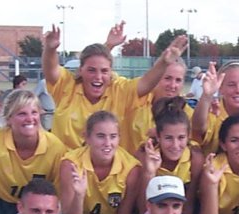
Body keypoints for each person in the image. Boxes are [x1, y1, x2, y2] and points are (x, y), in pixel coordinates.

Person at [42, 24, 187, 150]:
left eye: (105, 71)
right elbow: (51, 69)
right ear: (81, 70)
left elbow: (146, 82)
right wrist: (50, 49)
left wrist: (164, 61)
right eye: (91, 70)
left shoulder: (119, 90)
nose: (98, 77)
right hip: (67, 168)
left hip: (110, 171)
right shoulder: (67, 85)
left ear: (111, 72)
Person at [59, 111, 140, 214]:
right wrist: (79, 195)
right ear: (87, 138)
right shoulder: (71, 165)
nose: (108, 143)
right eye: (101, 136)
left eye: (113, 136)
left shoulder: (131, 168)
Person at [137, 96, 204, 214]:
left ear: (188, 136)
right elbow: (142, 210)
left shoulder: (195, 158)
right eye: (168, 138)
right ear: (158, 136)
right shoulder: (144, 155)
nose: (175, 145)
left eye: (181, 138)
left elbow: (189, 206)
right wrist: (149, 173)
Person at [122, 56, 194, 155]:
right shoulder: (135, 100)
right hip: (131, 167)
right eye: (167, 78)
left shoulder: (187, 113)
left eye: (178, 80)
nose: (173, 85)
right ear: (155, 78)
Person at [191, 61, 239, 155]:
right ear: (220, 88)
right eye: (231, 85)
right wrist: (207, 95)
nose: (238, 90)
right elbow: (198, 127)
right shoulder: (212, 111)